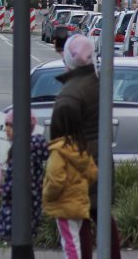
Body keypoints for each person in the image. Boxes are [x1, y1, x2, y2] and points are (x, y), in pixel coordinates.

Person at [53, 34, 122, 259]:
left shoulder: (69, 95)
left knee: (79, 217)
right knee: (102, 215)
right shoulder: (97, 83)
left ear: (70, 59)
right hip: (100, 158)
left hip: (78, 164)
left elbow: (60, 137)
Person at [43, 103, 98, 259]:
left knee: (70, 244)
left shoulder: (58, 151)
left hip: (64, 204)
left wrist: (47, 195)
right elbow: (93, 173)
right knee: (74, 240)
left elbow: (55, 179)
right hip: (79, 202)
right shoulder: (81, 148)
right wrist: (80, 187)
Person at [0, 110, 49, 240]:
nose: (6, 129)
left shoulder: (22, 150)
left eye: (10, 125)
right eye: (6, 125)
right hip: (31, 204)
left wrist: (0, 190)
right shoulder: (32, 147)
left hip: (16, 208)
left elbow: (20, 181)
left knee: (14, 241)